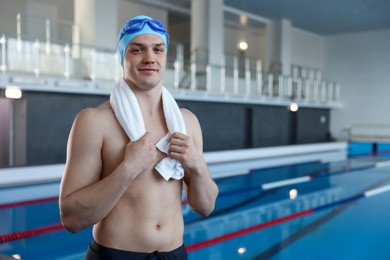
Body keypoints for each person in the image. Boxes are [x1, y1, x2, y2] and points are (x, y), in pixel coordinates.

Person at [59, 15, 218, 259]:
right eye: (137, 49)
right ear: (122, 56)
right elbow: (71, 218)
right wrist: (129, 168)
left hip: (174, 254)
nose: (149, 58)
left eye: (158, 49)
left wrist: (198, 166)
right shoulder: (94, 121)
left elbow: (205, 207)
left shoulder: (186, 122)